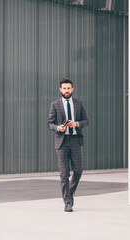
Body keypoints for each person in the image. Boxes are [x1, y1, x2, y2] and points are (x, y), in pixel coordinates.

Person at [48, 77, 89, 212]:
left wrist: (77, 124)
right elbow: (50, 123)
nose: (66, 90)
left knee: (78, 171)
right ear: (60, 89)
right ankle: (67, 203)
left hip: (75, 140)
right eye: (64, 88)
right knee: (64, 174)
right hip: (62, 141)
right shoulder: (55, 104)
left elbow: (86, 121)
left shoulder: (78, 103)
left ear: (72, 89)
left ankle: (69, 194)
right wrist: (58, 127)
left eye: (68, 88)